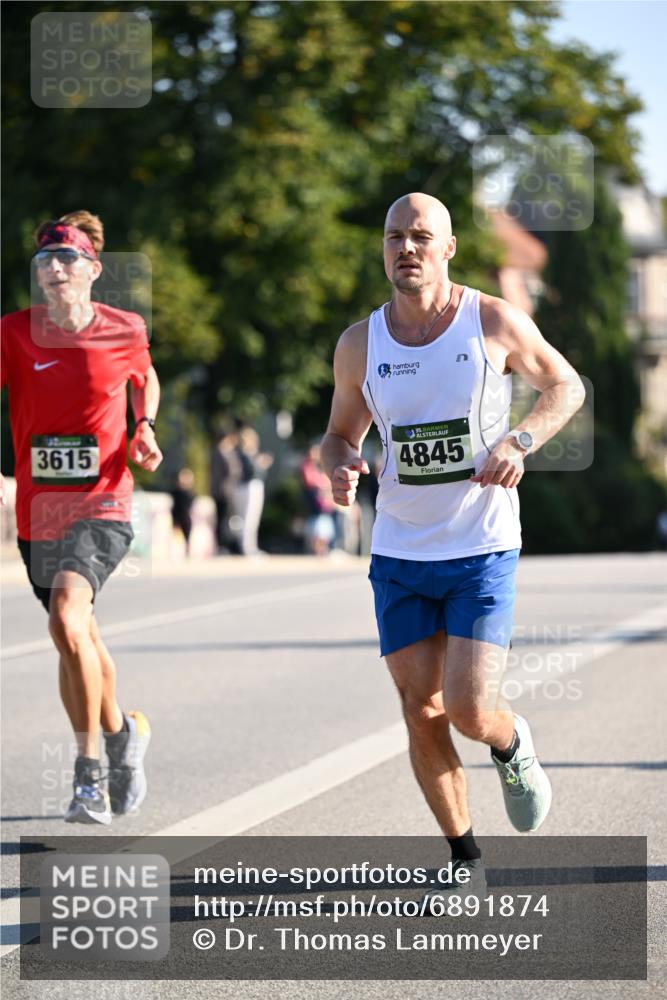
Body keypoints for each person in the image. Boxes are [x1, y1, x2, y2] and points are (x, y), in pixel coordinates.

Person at [321, 193, 585, 893]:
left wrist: (521, 438)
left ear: (447, 248)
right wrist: (339, 462)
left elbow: (564, 385)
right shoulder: (359, 344)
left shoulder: (490, 320)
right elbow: (339, 433)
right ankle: (463, 858)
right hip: (400, 552)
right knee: (420, 708)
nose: (404, 248)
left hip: (481, 545)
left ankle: (509, 740)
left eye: (418, 236)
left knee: (468, 711)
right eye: (392, 237)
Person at [0, 210, 162, 825]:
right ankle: (122, 733)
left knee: (68, 619)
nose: (56, 270)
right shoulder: (14, 334)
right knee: (78, 639)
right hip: (38, 513)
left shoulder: (124, 328)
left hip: (105, 502)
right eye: (45, 262)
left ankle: (89, 772)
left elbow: (145, 380)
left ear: (93, 270)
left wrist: (143, 426)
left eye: (67, 260)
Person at [234, 426, 273, 556]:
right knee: (250, 519)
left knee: (247, 519)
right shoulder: (246, 454)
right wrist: (261, 463)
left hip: (243, 487)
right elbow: (253, 472)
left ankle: (248, 546)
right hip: (250, 487)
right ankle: (248, 548)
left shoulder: (240, 453)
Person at [209, 426, 242, 554]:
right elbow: (232, 471)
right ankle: (221, 545)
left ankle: (225, 545)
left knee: (225, 519)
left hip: (224, 489)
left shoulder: (222, 452)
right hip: (222, 490)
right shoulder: (221, 452)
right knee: (222, 519)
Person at [301, 442, 337, 556]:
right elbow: (311, 482)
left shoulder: (319, 466)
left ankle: (323, 549)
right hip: (315, 502)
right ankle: (317, 550)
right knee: (317, 526)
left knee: (324, 526)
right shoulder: (307, 465)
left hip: (323, 503)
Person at [171, 467, 195, 556]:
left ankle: (186, 552)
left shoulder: (190, 492)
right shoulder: (176, 491)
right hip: (177, 517)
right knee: (175, 537)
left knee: (186, 537)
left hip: (186, 518)